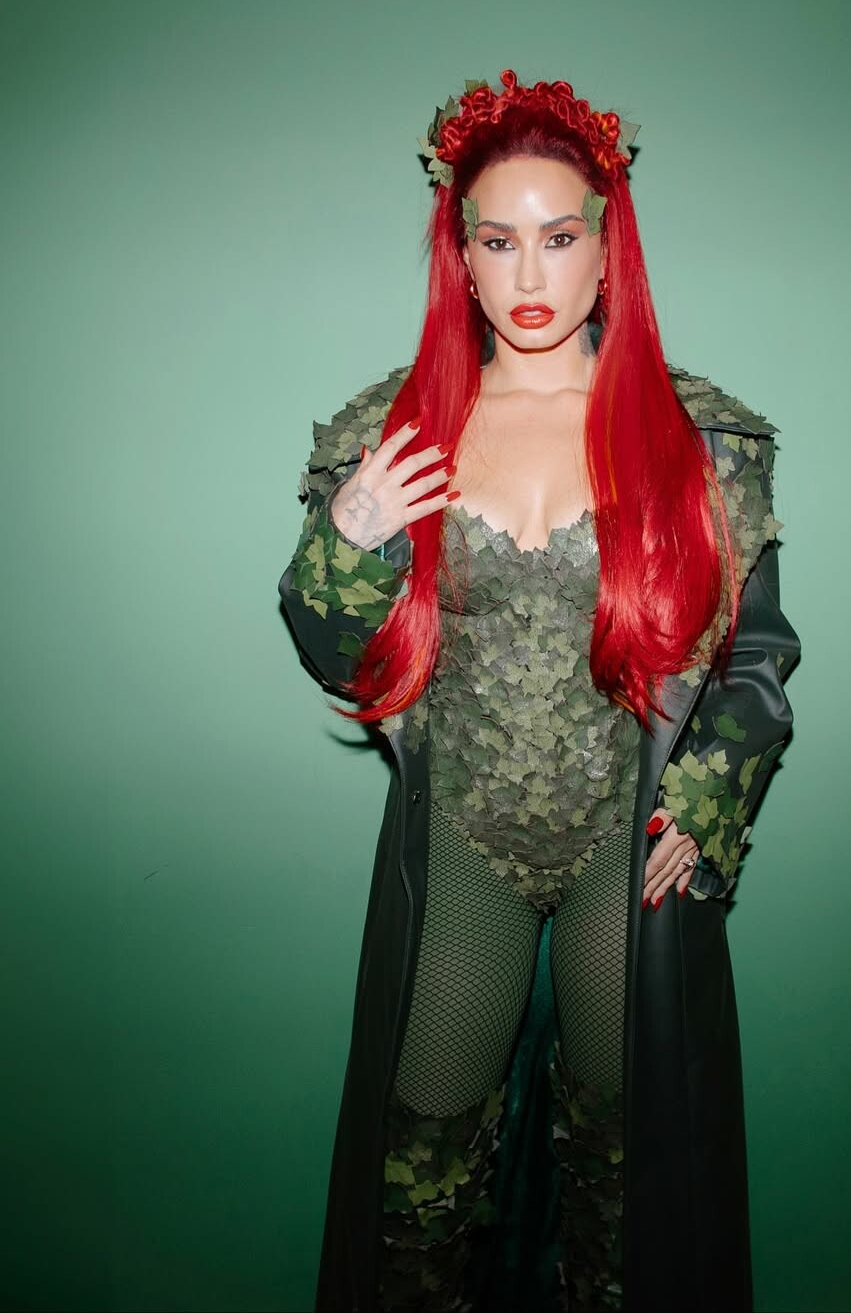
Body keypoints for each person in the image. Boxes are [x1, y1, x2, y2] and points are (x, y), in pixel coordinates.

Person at [278, 69, 801, 1313]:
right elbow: (332, 651)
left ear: (607, 251)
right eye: (499, 239)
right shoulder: (394, 436)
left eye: (559, 237)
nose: (530, 272)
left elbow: (757, 656)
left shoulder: (696, 441)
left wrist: (709, 799)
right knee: (421, 1168)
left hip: (625, 845)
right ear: (460, 257)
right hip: (463, 839)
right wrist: (348, 540)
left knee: (627, 1175)